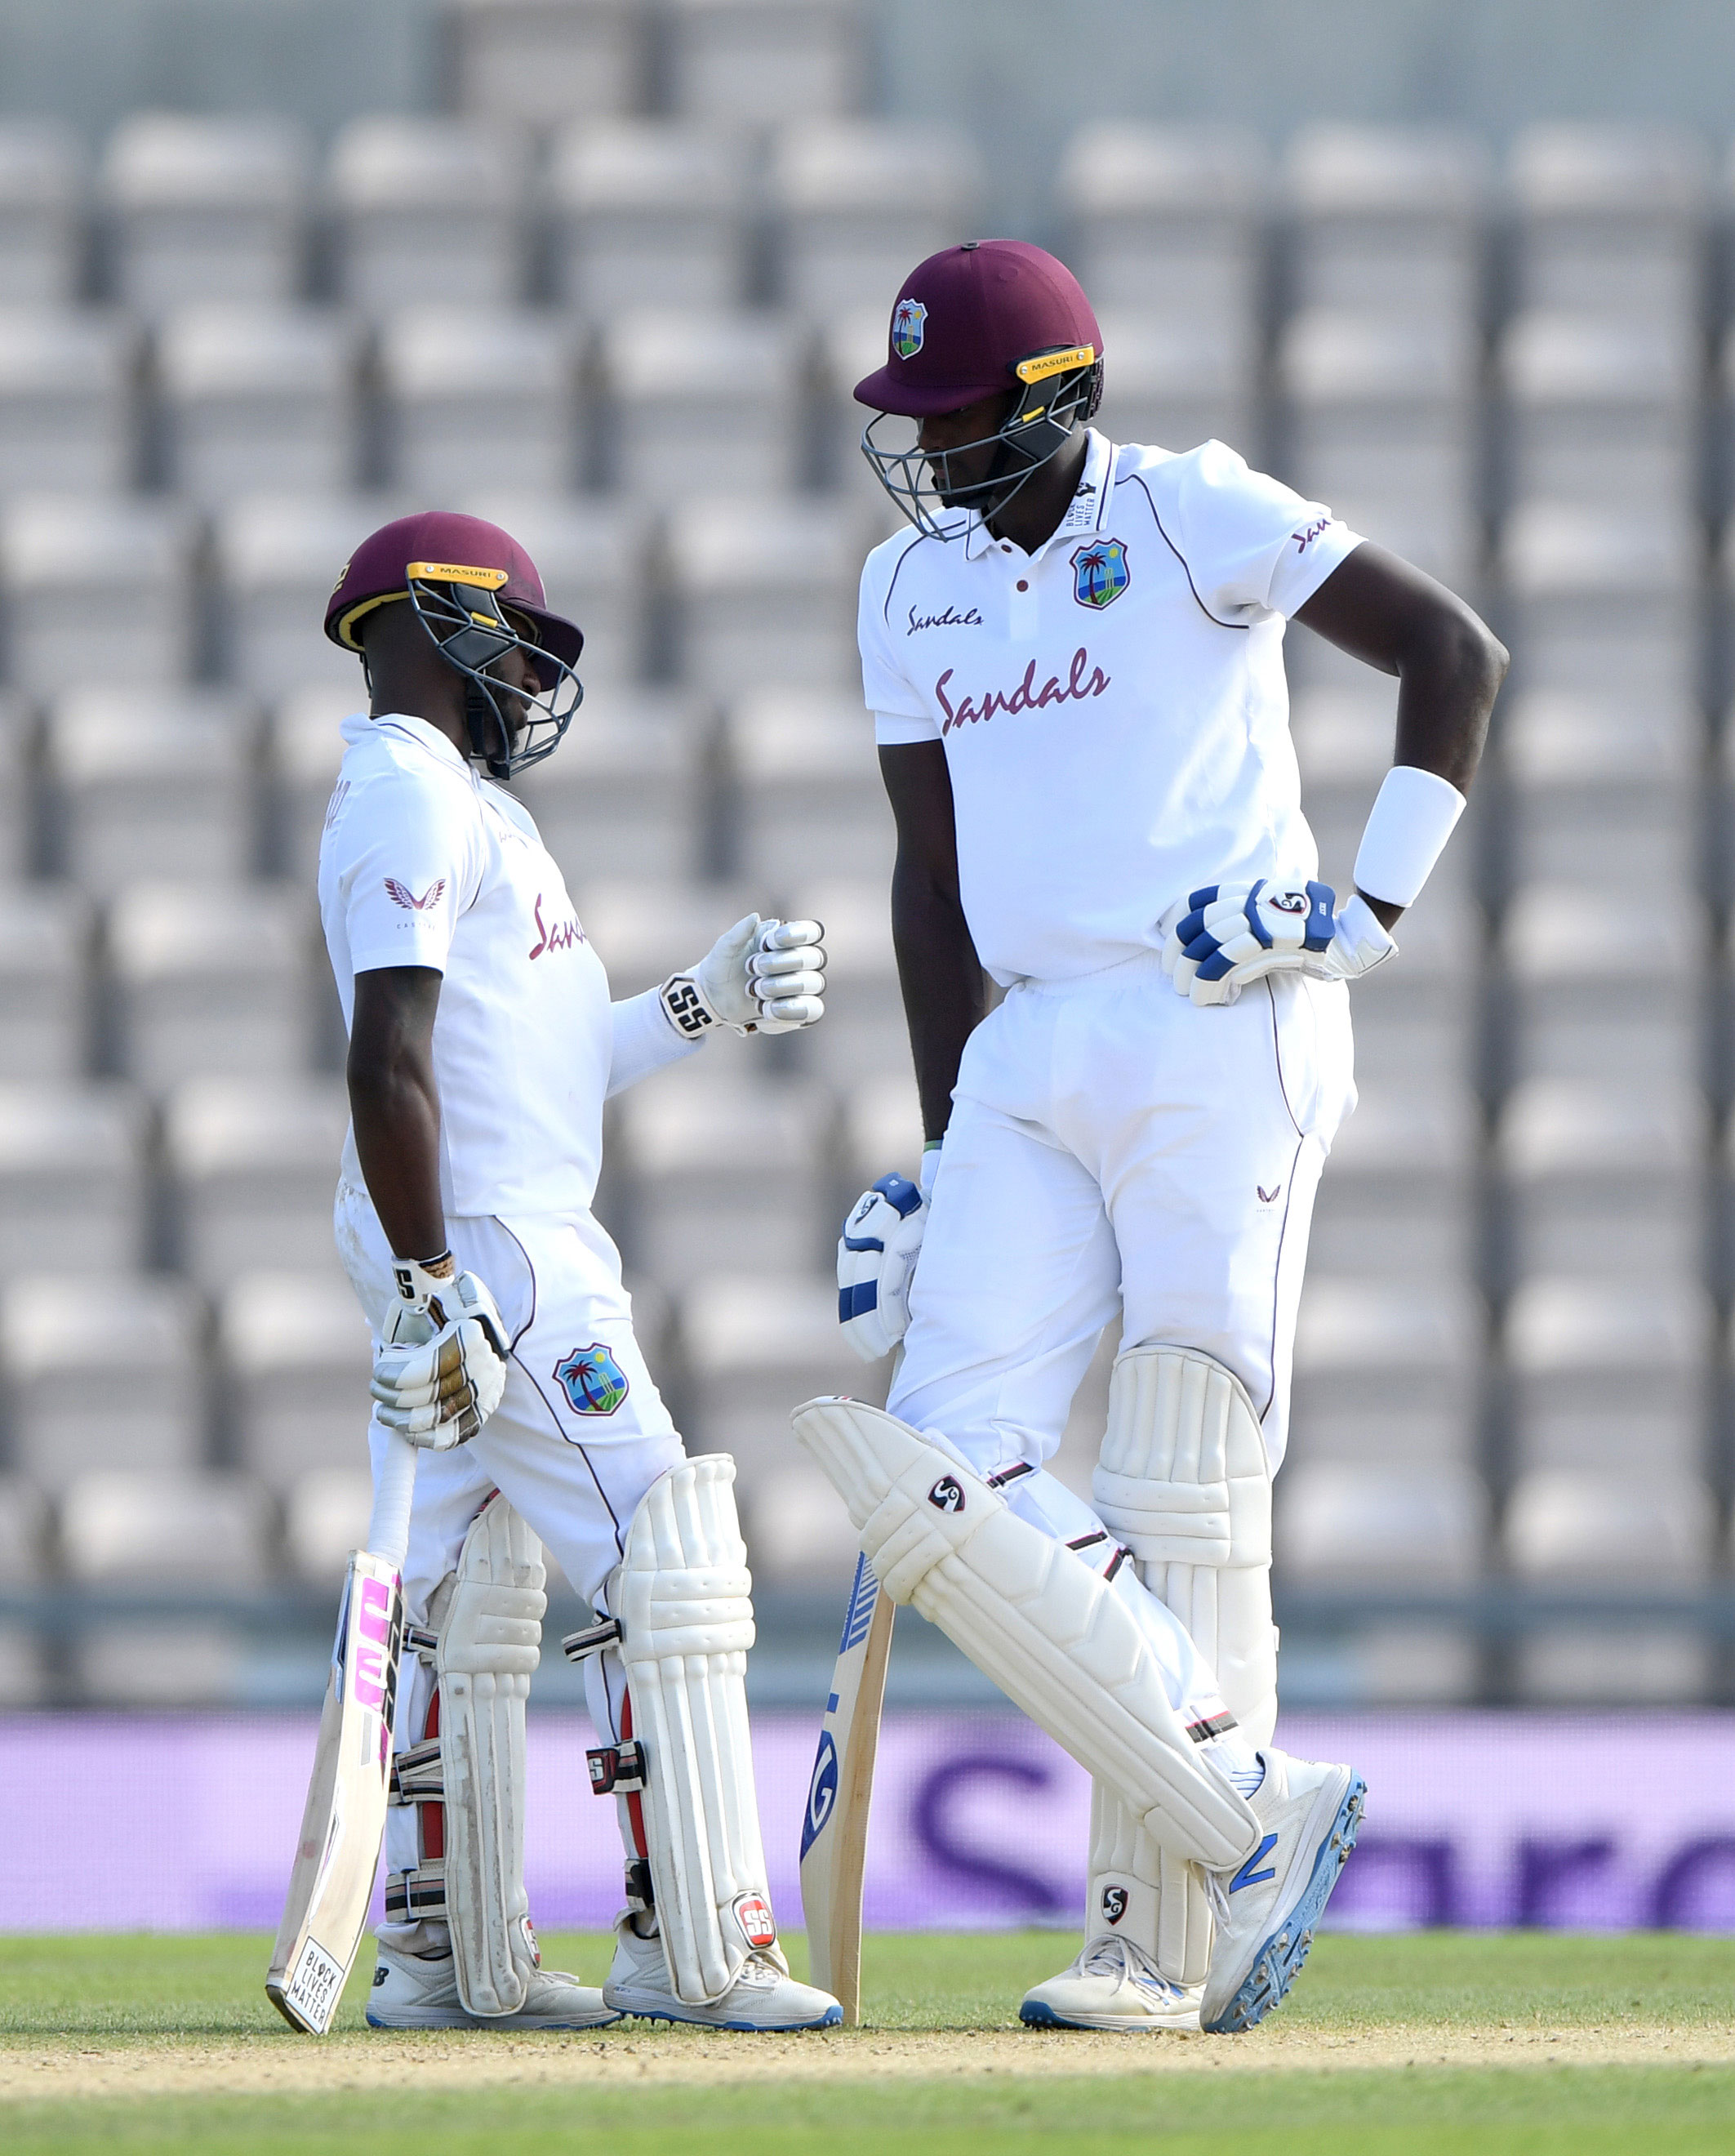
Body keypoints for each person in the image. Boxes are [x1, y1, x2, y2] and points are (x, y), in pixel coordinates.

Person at [820, 241, 1507, 2034]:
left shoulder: (1196, 511)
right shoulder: (907, 590)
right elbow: (927, 884)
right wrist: (942, 1142)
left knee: (1184, 1477)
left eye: (957, 413)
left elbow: (1451, 653)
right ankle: (1247, 1806)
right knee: (934, 1470)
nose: (928, 448)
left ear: (1056, 401)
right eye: (914, 415)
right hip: (1028, 1044)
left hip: (1223, 1015)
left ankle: (1153, 1939)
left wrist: (1366, 908)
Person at [318, 510, 841, 2032]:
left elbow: (529, 1065)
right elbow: (388, 1060)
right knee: (662, 1562)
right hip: (494, 1247)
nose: (528, 675)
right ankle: (694, 1950)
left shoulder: (469, 808)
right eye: (515, 638)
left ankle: (446, 1963)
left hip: (493, 1223)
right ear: (429, 619)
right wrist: (431, 1279)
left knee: (469, 1595)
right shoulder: (408, 795)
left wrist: (700, 999)